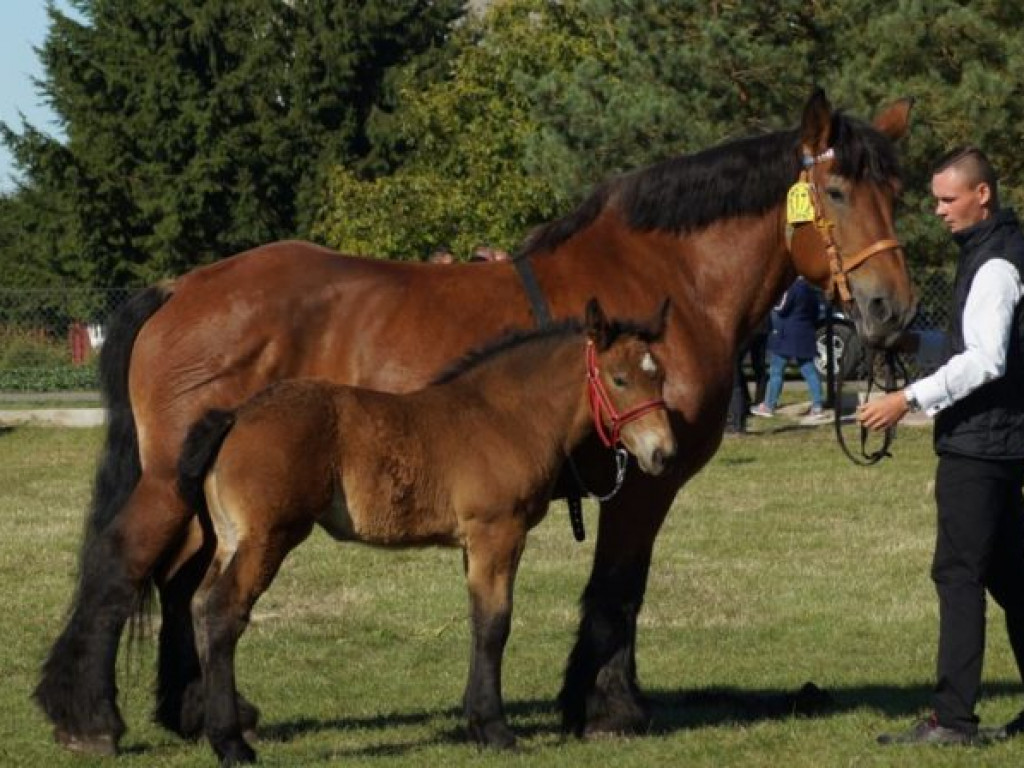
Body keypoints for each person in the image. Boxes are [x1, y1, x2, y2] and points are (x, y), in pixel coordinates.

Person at [860, 146, 1024, 745]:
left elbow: (986, 359)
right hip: (999, 442)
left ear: (983, 196)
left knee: (958, 576)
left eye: (947, 199)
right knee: (1012, 578)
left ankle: (952, 719)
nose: (937, 210)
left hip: (979, 448)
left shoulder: (994, 265)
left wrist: (906, 399)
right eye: (934, 199)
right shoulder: (991, 252)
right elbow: (970, 340)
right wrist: (914, 344)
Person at [749, 277, 825, 420]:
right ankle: (817, 405)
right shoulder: (811, 289)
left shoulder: (791, 288)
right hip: (805, 332)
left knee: (776, 370)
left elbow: (781, 309)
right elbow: (815, 311)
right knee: (809, 370)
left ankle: (769, 405)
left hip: (787, 335)